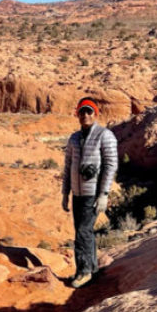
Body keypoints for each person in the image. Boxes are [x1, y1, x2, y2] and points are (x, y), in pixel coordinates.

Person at [61, 97, 118, 288]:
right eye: (82, 112)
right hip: (78, 193)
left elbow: (110, 166)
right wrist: (65, 193)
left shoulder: (105, 135)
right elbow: (68, 166)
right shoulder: (74, 138)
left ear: (95, 114)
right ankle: (91, 269)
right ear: (77, 114)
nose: (85, 115)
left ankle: (83, 272)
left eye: (89, 112)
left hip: (93, 193)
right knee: (84, 231)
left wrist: (104, 194)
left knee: (83, 232)